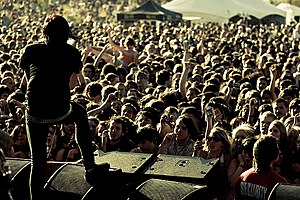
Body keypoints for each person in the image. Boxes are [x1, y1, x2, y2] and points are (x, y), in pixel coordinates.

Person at [18, 13, 110, 200]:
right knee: (80, 113)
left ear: (45, 32)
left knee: (38, 161)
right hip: (60, 108)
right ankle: (90, 167)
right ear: (66, 34)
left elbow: (27, 78)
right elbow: (72, 85)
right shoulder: (72, 53)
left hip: (35, 111)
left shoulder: (31, 49)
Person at [235, 135, 288, 200]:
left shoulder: (243, 177)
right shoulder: (279, 183)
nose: (279, 151)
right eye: (277, 148)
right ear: (274, 155)